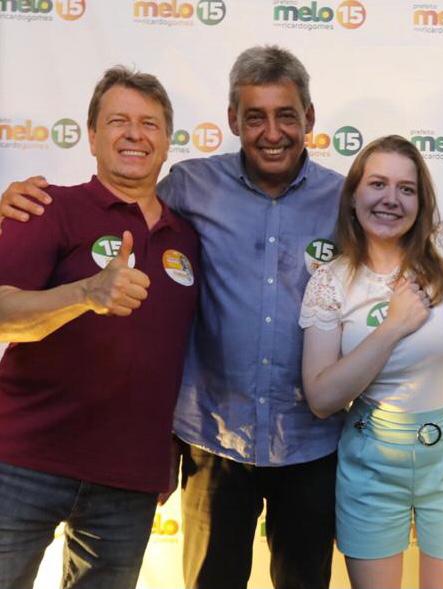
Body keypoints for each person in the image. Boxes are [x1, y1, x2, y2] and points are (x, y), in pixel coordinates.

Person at [0, 46, 343, 589]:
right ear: (233, 120)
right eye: (254, 116)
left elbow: (405, 233)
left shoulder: (341, 200)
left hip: (288, 445)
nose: (271, 132)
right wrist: (75, 280)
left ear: (310, 118)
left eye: (286, 115)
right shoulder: (174, 188)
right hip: (191, 445)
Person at [0, 67, 199, 589]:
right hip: (22, 464)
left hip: (129, 479)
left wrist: (170, 447)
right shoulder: (48, 207)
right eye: (117, 121)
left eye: (149, 124)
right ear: (91, 136)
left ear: (168, 141)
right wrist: (86, 293)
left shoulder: (188, 235)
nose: (135, 134)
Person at [299, 135, 443, 589]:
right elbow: (321, 397)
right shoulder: (330, 281)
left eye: (406, 189)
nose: (391, 199)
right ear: (353, 194)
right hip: (371, 459)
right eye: (378, 184)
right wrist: (394, 326)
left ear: (421, 201)